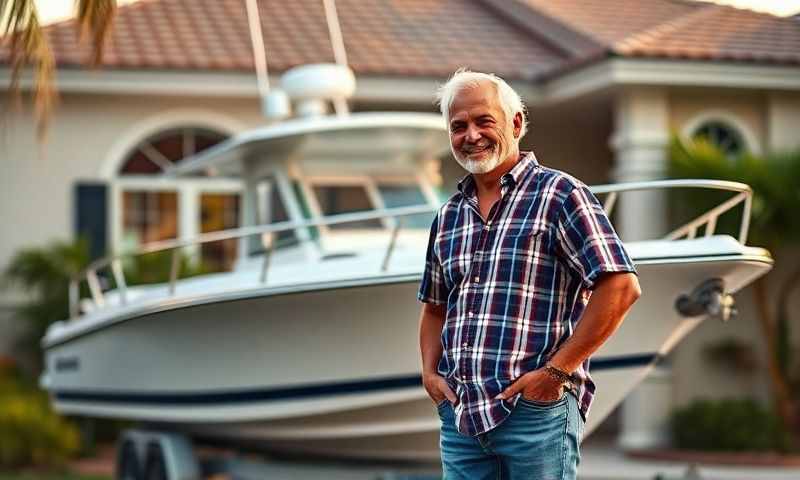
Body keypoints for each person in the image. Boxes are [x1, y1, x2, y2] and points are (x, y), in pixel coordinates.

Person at [417, 69, 642, 479]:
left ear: (516, 123)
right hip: (462, 420)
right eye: (458, 126)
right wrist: (431, 377)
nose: (471, 135)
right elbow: (434, 308)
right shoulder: (448, 216)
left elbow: (621, 287)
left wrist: (554, 374)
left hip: (536, 415)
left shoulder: (560, 195)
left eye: (484, 121)